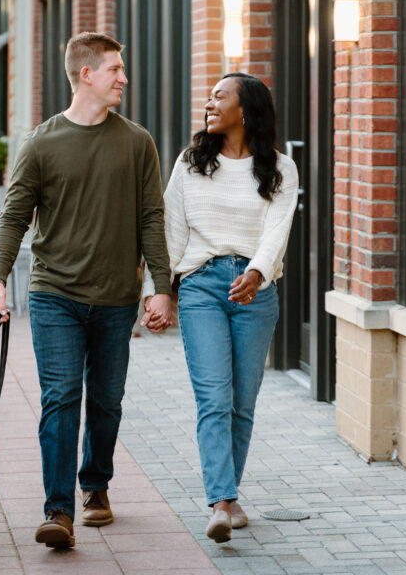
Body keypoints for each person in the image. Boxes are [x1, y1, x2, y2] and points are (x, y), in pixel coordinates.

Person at [0, 32, 172, 550]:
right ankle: (58, 510)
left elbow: (152, 218)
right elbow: (14, 216)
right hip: (55, 294)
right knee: (62, 397)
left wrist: (161, 286)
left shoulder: (137, 142)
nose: (123, 79)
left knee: (107, 401)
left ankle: (96, 486)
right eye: (115, 69)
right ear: (86, 74)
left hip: (116, 297)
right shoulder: (41, 143)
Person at [143, 72, 298, 543]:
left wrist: (257, 272)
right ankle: (220, 502)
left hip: (257, 290)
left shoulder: (281, 168)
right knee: (214, 397)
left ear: (246, 110)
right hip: (202, 288)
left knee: (241, 403)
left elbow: (277, 228)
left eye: (219, 97)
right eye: (209, 97)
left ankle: (228, 497)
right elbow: (170, 229)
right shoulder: (191, 163)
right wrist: (160, 290)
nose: (209, 104)